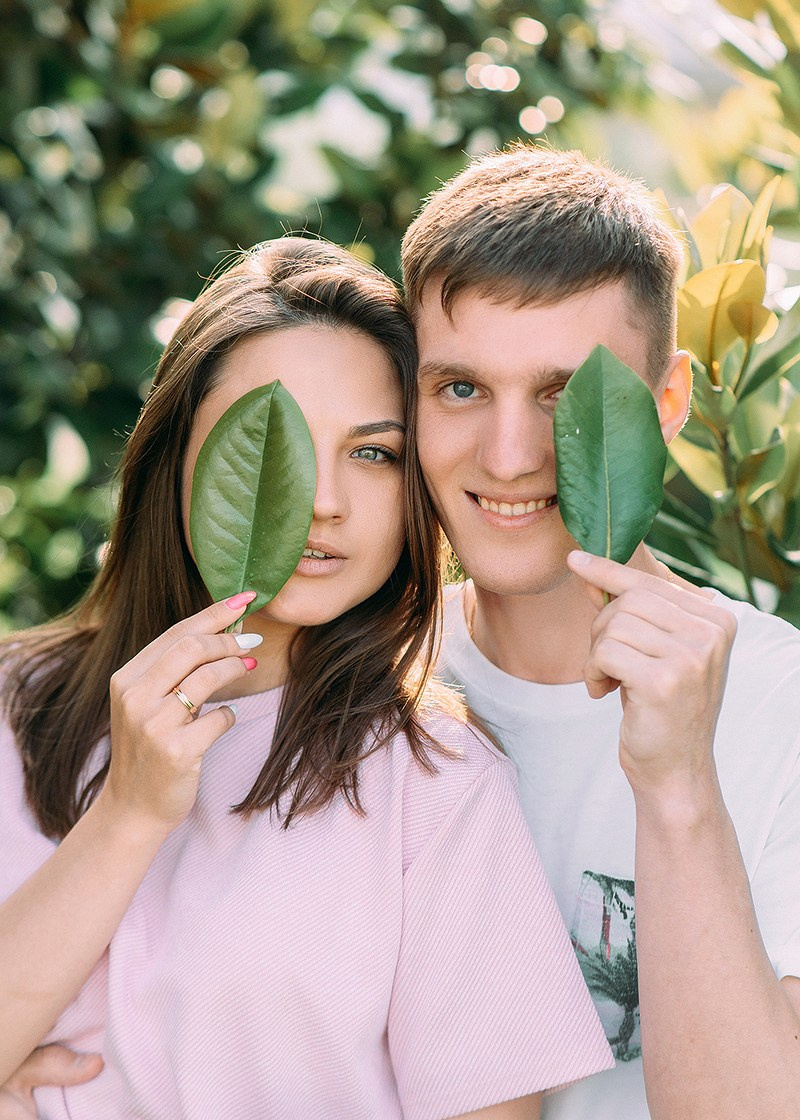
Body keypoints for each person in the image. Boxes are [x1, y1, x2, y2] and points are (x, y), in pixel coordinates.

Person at [0, 236, 614, 1118]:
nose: (322, 498)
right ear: (177, 454)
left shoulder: (435, 785)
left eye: (373, 453)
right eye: (270, 443)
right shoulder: (17, 704)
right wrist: (129, 813)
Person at [401, 143, 800, 1120]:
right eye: (459, 388)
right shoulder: (365, 689)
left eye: (563, 396)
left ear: (664, 405)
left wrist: (674, 785)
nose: (507, 456)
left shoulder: (780, 710)